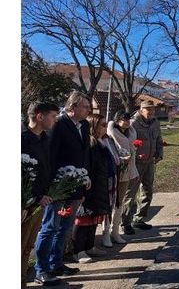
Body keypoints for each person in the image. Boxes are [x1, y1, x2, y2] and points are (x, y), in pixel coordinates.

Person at [33, 91, 92, 286]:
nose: (88, 110)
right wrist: (50, 187)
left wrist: (85, 177)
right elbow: (50, 156)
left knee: (65, 227)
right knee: (50, 227)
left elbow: (85, 154)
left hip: (76, 184)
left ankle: (56, 263)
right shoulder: (58, 125)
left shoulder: (84, 125)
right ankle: (41, 269)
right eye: (85, 106)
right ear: (73, 107)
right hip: (58, 186)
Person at [21, 102, 59, 288]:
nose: (55, 119)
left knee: (28, 246)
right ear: (39, 116)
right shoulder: (21, 139)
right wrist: (32, 198)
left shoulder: (44, 138)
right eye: (52, 115)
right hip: (25, 203)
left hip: (40, 200)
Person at [71, 114, 117, 263]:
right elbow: (87, 166)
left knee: (94, 218)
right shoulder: (90, 144)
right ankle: (78, 251)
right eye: (102, 124)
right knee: (83, 219)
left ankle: (90, 246)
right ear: (94, 126)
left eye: (105, 124)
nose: (105, 127)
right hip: (90, 187)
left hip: (101, 185)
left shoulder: (102, 142)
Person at [122, 100, 163, 234]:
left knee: (147, 191)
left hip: (150, 162)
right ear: (141, 109)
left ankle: (138, 219)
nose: (151, 112)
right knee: (131, 193)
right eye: (147, 109)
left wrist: (159, 153)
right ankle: (125, 222)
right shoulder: (133, 123)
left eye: (152, 110)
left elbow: (158, 139)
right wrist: (133, 156)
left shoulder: (155, 122)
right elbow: (125, 143)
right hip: (136, 163)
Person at [105, 110, 139, 244]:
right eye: (123, 119)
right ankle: (105, 233)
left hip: (126, 172)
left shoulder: (131, 134)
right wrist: (120, 159)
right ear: (117, 120)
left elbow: (133, 155)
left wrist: (133, 170)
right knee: (110, 203)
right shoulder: (110, 134)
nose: (126, 122)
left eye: (128, 119)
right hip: (113, 173)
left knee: (119, 203)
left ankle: (115, 232)